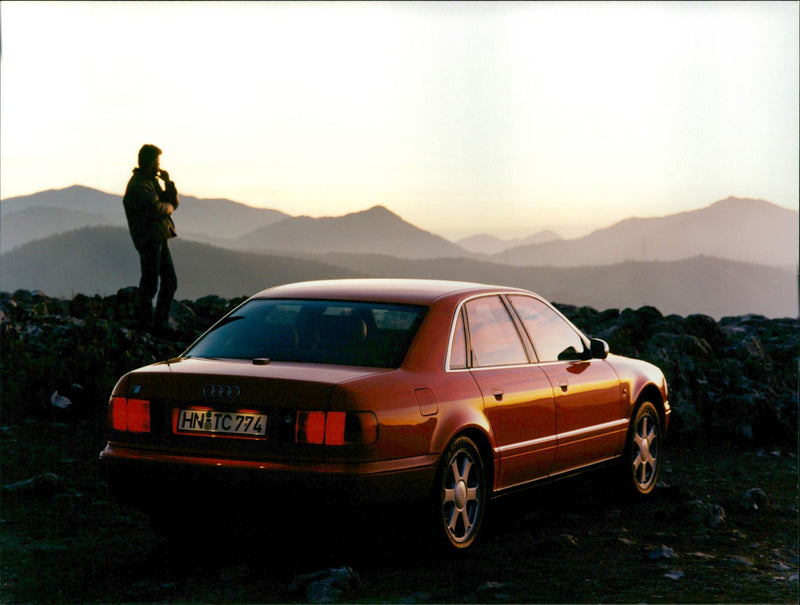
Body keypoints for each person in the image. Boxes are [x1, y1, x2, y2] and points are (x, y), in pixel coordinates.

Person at [122, 144, 180, 333]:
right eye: (157, 162)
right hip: (149, 239)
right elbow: (158, 209)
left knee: (168, 281)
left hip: (159, 236)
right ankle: (146, 324)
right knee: (151, 283)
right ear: (149, 163)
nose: (159, 166)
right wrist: (169, 206)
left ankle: (157, 323)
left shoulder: (150, 182)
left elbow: (171, 202)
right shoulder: (138, 185)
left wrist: (168, 183)